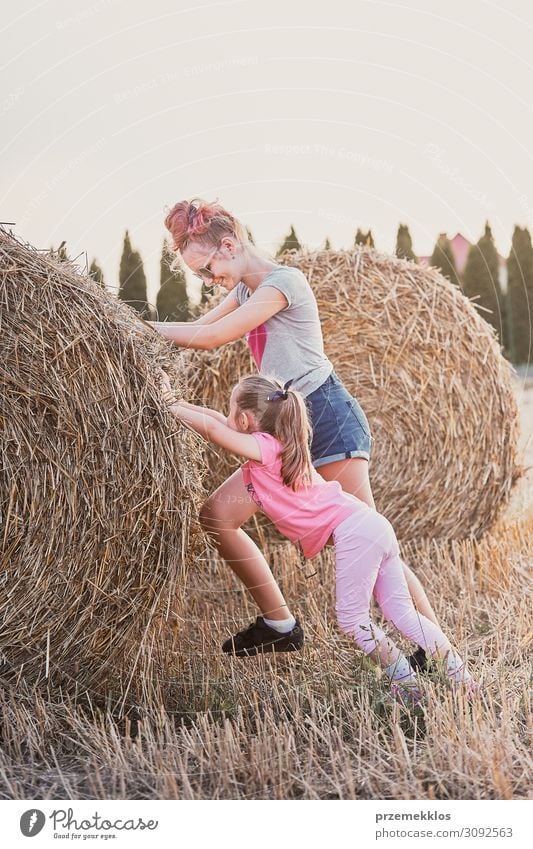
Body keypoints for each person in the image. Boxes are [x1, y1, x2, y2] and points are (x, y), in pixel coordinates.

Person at [150, 197, 440, 668]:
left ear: (229, 244)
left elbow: (211, 338)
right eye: (199, 276)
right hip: (284, 428)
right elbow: (198, 326)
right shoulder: (244, 289)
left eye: (206, 269)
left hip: (325, 417)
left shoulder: (284, 284)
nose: (207, 281)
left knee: (373, 538)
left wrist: (132, 326)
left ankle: (435, 646)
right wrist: (140, 343)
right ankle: (280, 624)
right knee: (217, 516)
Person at [159, 370, 477, 704]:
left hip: (355, 530)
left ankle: (408, 688)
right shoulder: (279, 443)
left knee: (353, 620)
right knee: (402, 613)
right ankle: (463, 680)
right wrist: (177, 403)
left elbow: (213, 429)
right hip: (370, 523)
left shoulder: (265, 450)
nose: (227, 415)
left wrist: (169, 404)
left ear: (247, 419)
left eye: (232, 409)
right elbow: (216, 420)